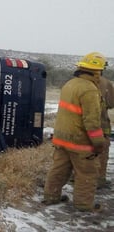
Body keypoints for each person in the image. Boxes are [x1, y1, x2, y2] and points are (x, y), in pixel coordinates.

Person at [42, 52, 107, 212]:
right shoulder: (89, 90)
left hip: (61, 138)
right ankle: (84, 205)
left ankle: (51, 197)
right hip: (80, 143)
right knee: (87, 173)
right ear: (97, 71)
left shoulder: (70, 84)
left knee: (59, 169)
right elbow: (91, 122)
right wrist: (99, 144)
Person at [97, 75, 114, 189]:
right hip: (101, 124)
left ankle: (76, 177)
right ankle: (99, 179)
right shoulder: (105, 83)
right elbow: (112, 103)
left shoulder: (74, 82)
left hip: (78, 126)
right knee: (102, 151)